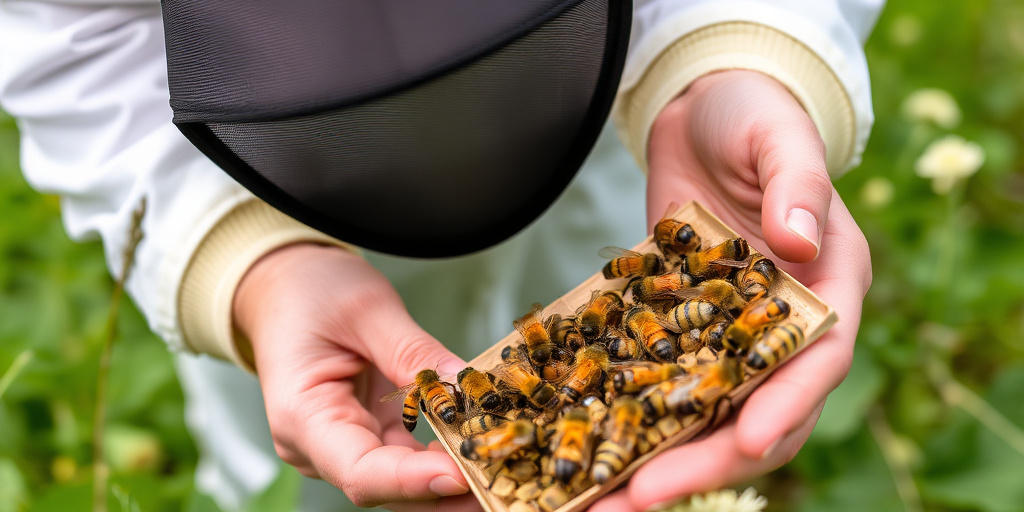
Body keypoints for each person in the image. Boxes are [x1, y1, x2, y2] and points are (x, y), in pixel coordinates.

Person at [0, 0, 879, 510]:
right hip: (278, 197)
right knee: (303, 463)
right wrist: (247, 266)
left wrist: (734, 44)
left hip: (618, 135)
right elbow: (68, 32)